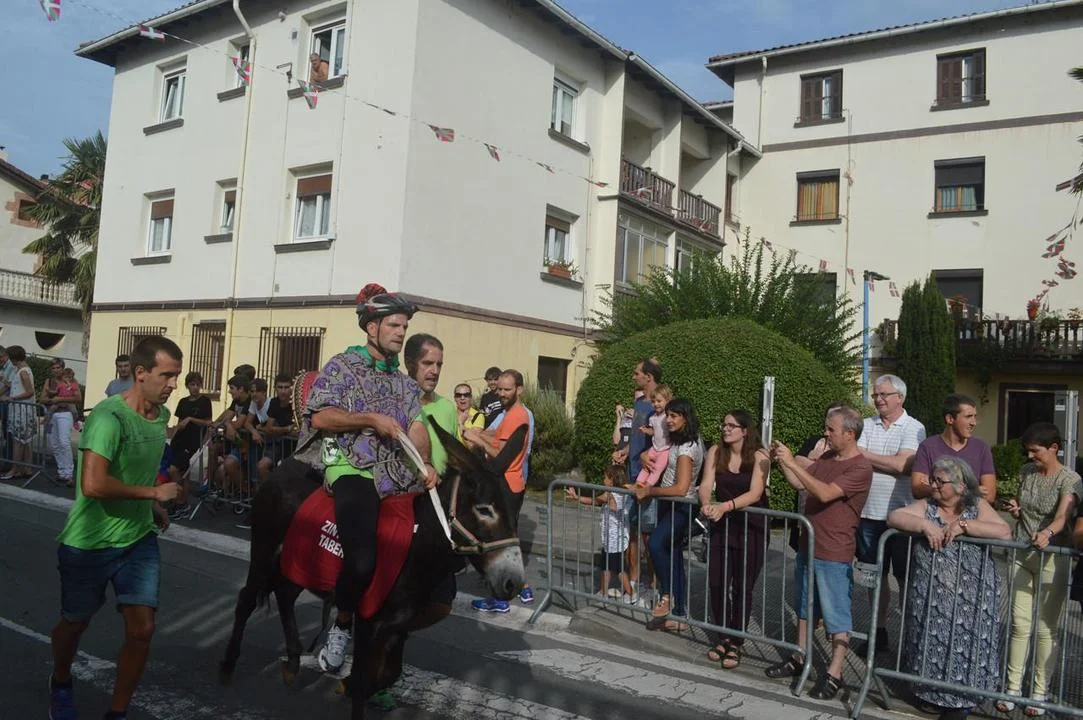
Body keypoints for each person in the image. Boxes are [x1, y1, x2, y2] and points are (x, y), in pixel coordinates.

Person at [293, 283, 438, 673]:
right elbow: (320, 416)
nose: (401, 333)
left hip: (396, 472)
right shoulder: (342, 366)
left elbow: (417, 427)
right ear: (371, 327)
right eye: (394, 325)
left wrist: (425, 463)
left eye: (404, 326)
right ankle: (342, 625)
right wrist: (370, 419)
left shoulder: (405, 383)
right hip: (350, 466)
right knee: (361, 560)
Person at [47, 336, 183, 720]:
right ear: (140, 373)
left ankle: (117, 713)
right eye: (167, 375)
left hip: (137, 539)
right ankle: (60, 680)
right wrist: (153, 492)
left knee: (142, 630)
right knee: (74, 624)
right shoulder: (109, 418)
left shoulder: (161, 417)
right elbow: (93, 484)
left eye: (176, 375)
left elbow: (134, 474)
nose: (173, 384)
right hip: (88, 543)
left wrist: (151, 505)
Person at [888, 456, 1011, 720]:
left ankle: (963, 701)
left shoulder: (976, 506)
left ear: (960, 486)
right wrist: (924, 524)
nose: (932, 485)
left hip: (973, 599)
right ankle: (931, 695)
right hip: (933, 597)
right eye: (932, 479)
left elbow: (1003, 531)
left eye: (939, 481)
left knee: (969, 646)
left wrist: (965, 526)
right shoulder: (927, 506)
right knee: (933, 643)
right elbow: (895, 517)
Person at [767, 405, 872, 701]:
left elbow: (825, 493)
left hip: (834, 551)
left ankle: (835, 672)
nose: (825, 434)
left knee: (836, 614)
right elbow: (800, 483)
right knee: (804, 607)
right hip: (808, 546)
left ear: (849, 434)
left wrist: (794, 462)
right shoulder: (826, 458)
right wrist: (784, 461)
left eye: (831, 429)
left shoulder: (860, 468)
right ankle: (800, 658)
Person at [997, 422, 1082, 715]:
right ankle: (1012, 688)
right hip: (1022, 552)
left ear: (1054, 448)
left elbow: (1062, 516)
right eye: (1028, 451)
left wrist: (1048, 533)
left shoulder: (1070, 479)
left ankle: (1040, 692)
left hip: (1053, 558)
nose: (1030, 456)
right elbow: (1023, 505)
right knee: (1019, 624)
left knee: (1046, 628)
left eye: (1035, 451)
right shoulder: (1026, 472)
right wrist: (1016, 508)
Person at [853, 374, 926, 657]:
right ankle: (878, 631)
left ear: (900, 398)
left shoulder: (914, 427)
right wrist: (882, 461)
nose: (878, 399)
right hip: (869, 514)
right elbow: (856, 460)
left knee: (906, 579)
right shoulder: (866, 424)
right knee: (874, 577)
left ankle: (910, 636)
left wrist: (865, 456)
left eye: (884, 394)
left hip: (902, 517)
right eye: (875, 394)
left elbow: (902, 466)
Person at [698, 409, 770, 670]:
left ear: (745, 430)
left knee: (742, 586)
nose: (725, 429)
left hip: (752, 527)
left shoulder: (760, 457)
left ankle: (736, 642)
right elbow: (706, 484)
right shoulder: (716, 451)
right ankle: (723, 636)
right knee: (717, 582)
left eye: (731, 425)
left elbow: (755, 493)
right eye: (724, 424)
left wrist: (725, 506)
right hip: (723, 525)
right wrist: (706, 503)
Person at [463, 369, 534, 611]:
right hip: (511, 484)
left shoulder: (517, 416)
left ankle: (501, 598)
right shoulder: (511, 413)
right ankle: (522, 588)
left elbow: (501, 458)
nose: (501, 393)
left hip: (507, 485)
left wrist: (476, 439)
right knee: (508, 539)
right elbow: (496, 436)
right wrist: (480, 434)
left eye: (507, 389)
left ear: (519, 390)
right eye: (500, 389)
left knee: (500, 543)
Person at [633, 397, 704, 632]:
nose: (669, 420)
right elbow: (657, 451)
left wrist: (650, 490)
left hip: (681, 506)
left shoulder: (686, 448)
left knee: (655, 544)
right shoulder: (678, 440)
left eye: (674, 416)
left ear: (686, 418)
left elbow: (681, 488)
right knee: (673, 556)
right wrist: (644, 455)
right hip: (669, 504)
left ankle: (667, 595)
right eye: (668, 416)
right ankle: (679, 614)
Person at [621, 359, 661, 601]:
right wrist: (626, 452)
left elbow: (665, 440)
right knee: (633, 531)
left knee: (649, 535)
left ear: (649, 377)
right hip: (633, 474)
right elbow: (637, 437)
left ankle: (654, 586)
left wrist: (650, 456)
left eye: (637, 373)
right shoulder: (638, 403)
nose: (633, 377)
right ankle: (634, 582)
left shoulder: (661, 405)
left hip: (650, 480)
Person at [566, 465, 636, 603]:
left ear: (612, 480)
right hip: (614, 538)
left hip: (614, 539)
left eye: (605, 477)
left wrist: (577, 497)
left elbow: (594, 501)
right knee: (606, 565)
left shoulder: (609, 494)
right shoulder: (624, 492)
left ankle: (631, 593)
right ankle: (603, 592)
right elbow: (634, 487)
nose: (603, 479)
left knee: (618, 569)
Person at [911, 394, 996, 504]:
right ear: (950, 419)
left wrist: (937, 487)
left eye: (975, 416)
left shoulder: (981, 448)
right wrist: (971, 491)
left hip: (970, 514)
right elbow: (917, 489)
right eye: (968, 417)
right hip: (936, 514)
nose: (973, 423)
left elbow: (989, 495)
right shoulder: (928, 447)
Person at [405, 334, 458, 475]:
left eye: (439, 365)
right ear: (409, 364)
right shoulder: (396, 405)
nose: (435, 371)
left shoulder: (447, 407)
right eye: (427, 363)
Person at [168, 372, 213, 517]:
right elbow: (179, 423)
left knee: (174, 469)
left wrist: (191, 419)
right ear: (187, 386)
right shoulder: (183, 402)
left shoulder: (205, 401)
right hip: (179, 440)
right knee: (183, 471)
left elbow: (208, 422)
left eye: (197, 385)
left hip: (192, 441)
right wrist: (173, 435)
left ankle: (180, 499)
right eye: (192, 385)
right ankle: (182, 502)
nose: (195, 387)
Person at [41, 360, 83, 487]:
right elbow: (43, 398)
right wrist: (53, 401)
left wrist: (60, 399)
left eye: (58, 367)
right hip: (53, 413)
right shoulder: (49, 381)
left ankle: (69, 473)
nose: (56, 370)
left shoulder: (71, 380)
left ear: (63, 368)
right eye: (53, 368)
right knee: (55, 443)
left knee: (64, 442)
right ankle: (62, 471)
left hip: (65, 413)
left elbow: (78, 397)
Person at [0, 345, 36, 481]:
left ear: (14, 358)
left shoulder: (23, 372)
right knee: (25, 441)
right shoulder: (22, 370)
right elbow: (18, 386)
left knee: (18, 441)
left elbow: (30, 391)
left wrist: (11, 398)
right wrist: (6, 382)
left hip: (21, 411)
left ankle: (15, 469)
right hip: (22, 410)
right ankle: (25, 468)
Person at [256, 373, 296, 482]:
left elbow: (297, 430)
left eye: (286, 387)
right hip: (277, 444)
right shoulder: (274, 402)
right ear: (275, 388)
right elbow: (269, 428)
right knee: (262, 466)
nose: (283, 391)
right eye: (280, 387)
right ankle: (269, 490)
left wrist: (279, 430)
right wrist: (286, 429)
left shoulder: (296, 403)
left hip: (294, 446)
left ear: (292, 388)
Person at [634, 384, 673, 488]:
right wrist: (646, 430)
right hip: (654, 448)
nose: (656, 404)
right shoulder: (652, 418)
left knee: (657, 468)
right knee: (646, 466)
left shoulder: (667, 417)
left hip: (665, 449)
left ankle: (647, 486)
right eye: (653, 401)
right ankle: (638, 484)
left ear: (668, 400)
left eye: (659, 401)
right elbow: (653, 432)